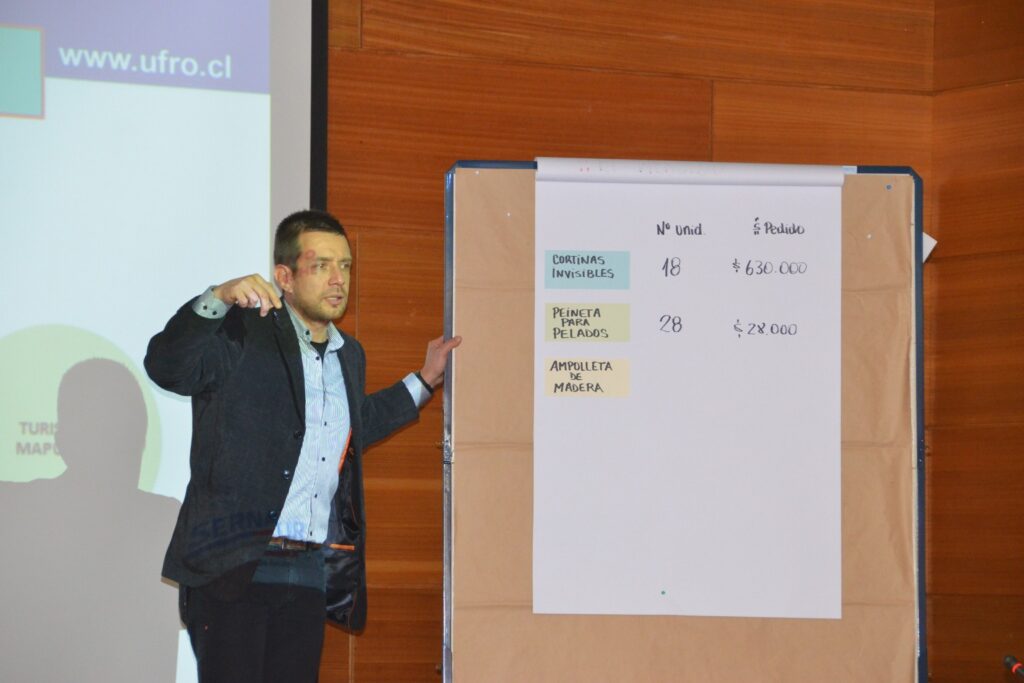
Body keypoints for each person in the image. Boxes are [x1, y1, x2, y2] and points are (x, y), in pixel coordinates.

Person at [144, 209, 460, 682]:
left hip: (308, 571)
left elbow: (350, 427)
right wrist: (216, 298)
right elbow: (167, 366)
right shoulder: (240, 332)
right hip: (235, 568)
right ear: (284, 277)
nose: (338, 279)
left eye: (346, 266)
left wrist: (424, 380)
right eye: (322, 265)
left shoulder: (349, 354)